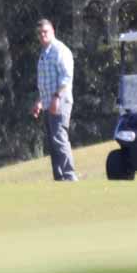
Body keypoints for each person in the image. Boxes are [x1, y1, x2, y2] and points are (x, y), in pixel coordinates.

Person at [32, 19, 78, 181]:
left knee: (59, 138)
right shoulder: (44, 53)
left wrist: (56, 98)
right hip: (47, 103)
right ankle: (59, 178)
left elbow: (66, 78)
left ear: (52, 31)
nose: (43, 35)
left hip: (60, 101)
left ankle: (70, 175)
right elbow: (45, 82)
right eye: (40, 33)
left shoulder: (60, 50)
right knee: (52, 142)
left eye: (46, 31)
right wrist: (39, 101)